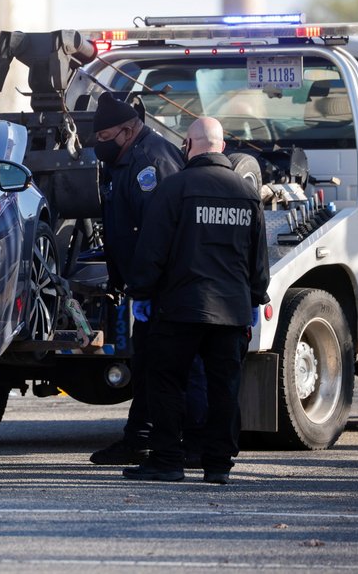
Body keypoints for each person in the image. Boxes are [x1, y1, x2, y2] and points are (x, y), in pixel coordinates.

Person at [121, 117, 270, 484]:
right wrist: (254, 297)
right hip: (231, 311)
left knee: (167, 381)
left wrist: (140, 292)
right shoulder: (247, 192)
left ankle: (168, 460)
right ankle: (218, 464)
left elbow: (152, 250)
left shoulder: (174, 189)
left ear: (189, 145)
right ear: (222, 147)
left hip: (180, 309)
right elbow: (258, 259)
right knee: (225, 388)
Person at [88, 91, 185, 465]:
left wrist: (149, 285)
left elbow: (161, 233)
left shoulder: (151, 163)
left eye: (104, 138)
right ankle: (140, 437)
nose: (100, 146)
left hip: (164, 285)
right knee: (147, 362)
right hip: (145, 284)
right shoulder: (126, 159)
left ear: (128, 131)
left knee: (165, 365)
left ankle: (175, 443)